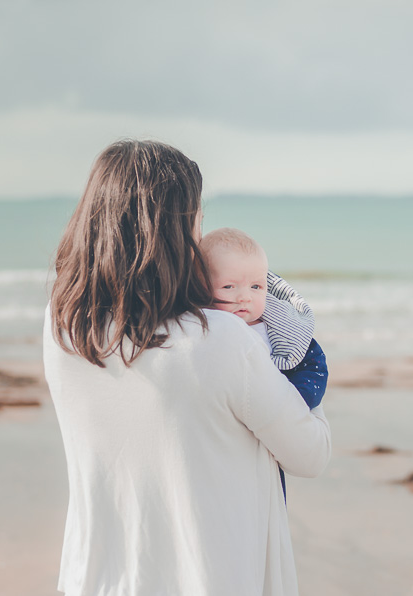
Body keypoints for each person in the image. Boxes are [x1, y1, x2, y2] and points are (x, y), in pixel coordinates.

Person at [43, 139, 332, 596]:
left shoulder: (65, 324)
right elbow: (310, 453)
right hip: (208, 578)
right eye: (197, 220)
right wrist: (295, 358)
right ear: (174, 231)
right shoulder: (219, 340)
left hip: (97, 578)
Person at [200, 227, 329, 498]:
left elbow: (314, 367)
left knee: (268, 492)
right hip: (228, 447)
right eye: (228, 286)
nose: (245, 296)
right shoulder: (203, 329)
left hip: (275, 426)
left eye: (256, 286)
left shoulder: (280, 331)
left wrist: (298, 401)